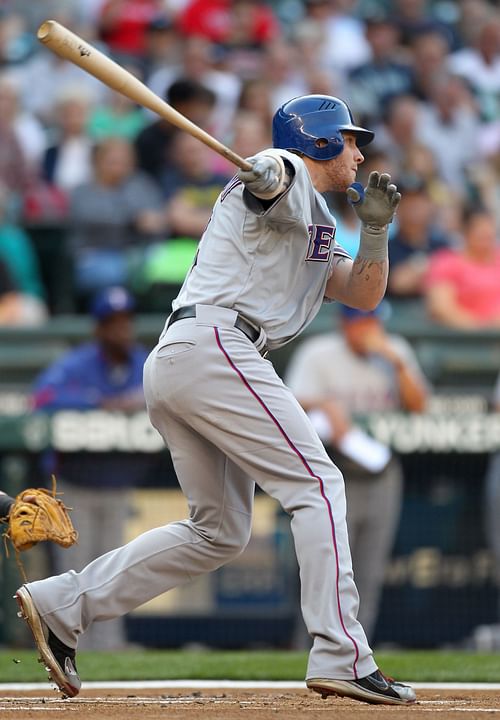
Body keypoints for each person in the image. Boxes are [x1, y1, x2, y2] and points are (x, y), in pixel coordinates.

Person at [12, 93, 416, 705]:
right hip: (216, 343)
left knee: (220, 531)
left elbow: (361, 294)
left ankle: (63, 604)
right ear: (321, 142)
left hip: (192, 357)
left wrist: (379, 231)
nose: (360, 154)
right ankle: (342, 653)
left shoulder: (320, 221)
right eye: (350, 140)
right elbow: (272, 177)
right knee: (317, 483)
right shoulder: (280, 170)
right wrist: (273, 168)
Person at [285, 304, 429, 641]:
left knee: (369, 571)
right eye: (358, 322)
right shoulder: (318, 352)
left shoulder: (396, 352)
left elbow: (419, 406)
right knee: (326, 568)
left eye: (372, 322)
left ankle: (358, 657)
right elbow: (287, 401)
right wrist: (323, 404)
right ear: (343, 324)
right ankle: (306, 648)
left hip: (381, 473)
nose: (366, 329)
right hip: (333, 469)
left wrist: (396, 362)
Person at [30, 286, 153, 648]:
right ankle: (63, 646)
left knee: (113, 574)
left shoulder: (144, 362)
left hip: (118, 483)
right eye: (112, 323)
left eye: (126, 322)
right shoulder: (77, 363)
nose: (121, 330)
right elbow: (42, 398)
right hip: (76, 486)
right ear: (98, 328)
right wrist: (98, 403)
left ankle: (110, 650)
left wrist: (134, 402)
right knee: (74, 571)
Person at [424, 205, 500, 329]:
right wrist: (483, 329)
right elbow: (442, 308)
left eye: (489, 227)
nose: (486, 233)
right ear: (465, 231)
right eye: (479, 228)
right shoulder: (446, 262)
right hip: (462, 340)